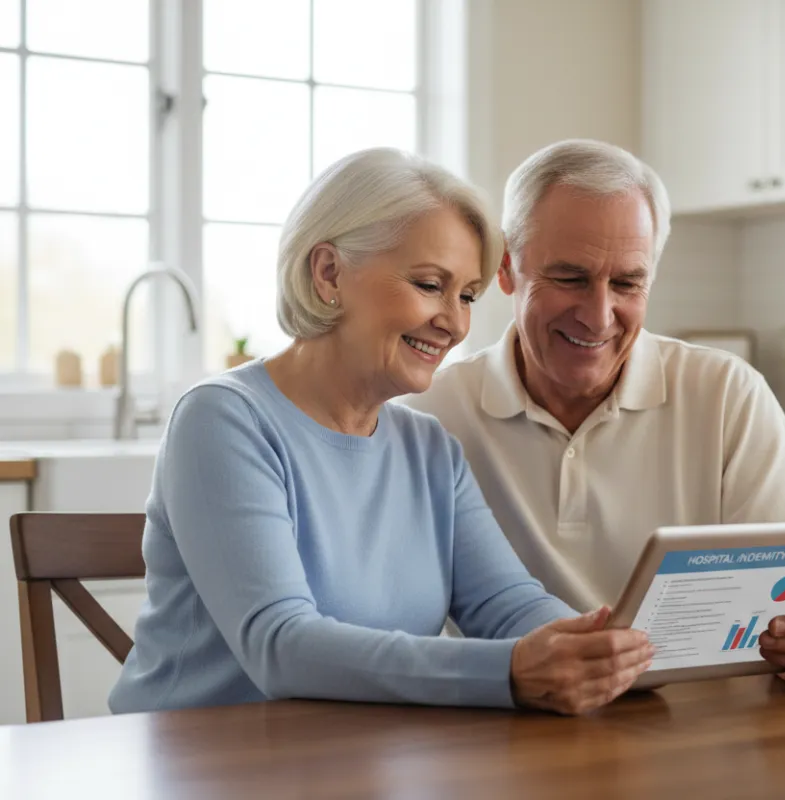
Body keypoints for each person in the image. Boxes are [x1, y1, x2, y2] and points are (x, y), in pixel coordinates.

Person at [108, 147, 654, 718]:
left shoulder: (429, 449)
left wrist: (613, 654)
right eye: (428, 284)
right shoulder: (223, 420)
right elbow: (280, 646)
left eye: (466, 294)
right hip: (199, 767)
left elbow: (507, 605)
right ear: (328, 274)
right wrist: (510, 671)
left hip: (353, 764)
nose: (455, 321)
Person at [402, 139, 785, 687]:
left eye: (627, 282)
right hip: (514, 723)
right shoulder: (432, 412)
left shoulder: (725, 392)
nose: (599, 316)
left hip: (699, 723)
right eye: (571, 278)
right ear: (506, 268)